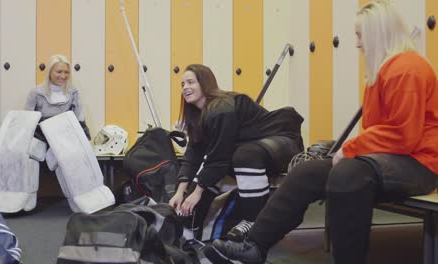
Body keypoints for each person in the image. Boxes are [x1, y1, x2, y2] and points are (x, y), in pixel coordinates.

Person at [205, 1, 438, 263]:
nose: (358, 43)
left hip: (420, 164)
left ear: (377, 34)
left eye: (360, 36)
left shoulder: (407, 68)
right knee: (308, 171)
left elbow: (403, 135)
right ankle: (256, 246)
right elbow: (379, 133)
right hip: (391, 160)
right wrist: (351, 151)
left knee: (349, 173)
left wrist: (351, 150)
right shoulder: (381, 74)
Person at [168, 64, 304, 240]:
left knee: (240, 155)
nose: (185, 87)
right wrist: (181, 192)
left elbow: (218, 159)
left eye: (190, 82)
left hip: (282, 142)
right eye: (182, 84)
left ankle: (253, 221)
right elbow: (193, 156)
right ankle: (188, 230)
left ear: (205, 83)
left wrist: (197, 193)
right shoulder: (198, 116)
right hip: (251, 152)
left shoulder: (221, 108)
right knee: (216, 168)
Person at [25, 54, 90, 140]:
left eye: (66, 72)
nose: (63, 76)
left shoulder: (74, 92)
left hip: (66, 141)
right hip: (41, 141)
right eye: (59, 72)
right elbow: (27, 123)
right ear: (49, 72)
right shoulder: (36, 93)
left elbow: (80, 119)